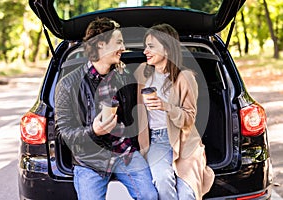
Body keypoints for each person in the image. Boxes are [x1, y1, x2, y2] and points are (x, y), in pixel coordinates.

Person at [55, 17, 158, 200]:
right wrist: (93, 131)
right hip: (90, 160)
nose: (123, 47)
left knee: (150, 196)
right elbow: (64, 132)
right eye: (118, 42)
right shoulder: (68, 84)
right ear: (101, 44)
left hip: (124, 152)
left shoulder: (124, 77)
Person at [135, 23, 215, 200]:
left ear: (167, 48)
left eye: (151, 46)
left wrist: (166, 107)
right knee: (162, 180)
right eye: (145, 46)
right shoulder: (142, 72)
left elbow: (189, 118)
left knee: (187, 194)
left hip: (185, 141)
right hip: (157, 140)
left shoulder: (185, 77)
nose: (145, 51)